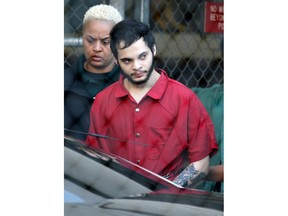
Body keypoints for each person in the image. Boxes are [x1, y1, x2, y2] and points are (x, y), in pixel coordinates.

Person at [86, 19, 218, 188]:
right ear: (116, 60)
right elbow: (94, 157)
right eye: (127, 60)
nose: (137, 66)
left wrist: (165, 192)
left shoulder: (184, 98)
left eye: (143, 56)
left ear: (153, 50)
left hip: (168, 202)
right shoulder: (103, 101)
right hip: (115, 198)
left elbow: (200, 164)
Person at [64, 4, 123, 141]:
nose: (97, 48)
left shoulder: (132, 87)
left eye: (105, 42)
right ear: (82, 37)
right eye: (90, 40)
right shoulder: (63, 82)